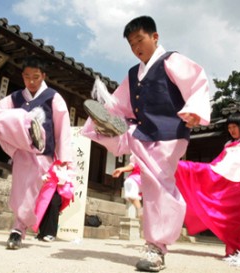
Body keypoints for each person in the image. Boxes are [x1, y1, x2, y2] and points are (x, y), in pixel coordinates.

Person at [82, 15, 211, 272]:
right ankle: (156, 245)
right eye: (131, 44)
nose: (136, 47)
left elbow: (197, 84)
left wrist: (195, 110)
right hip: (142, 134)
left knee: (159, 185)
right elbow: (118, 104)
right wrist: (101, 119)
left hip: (170, 134)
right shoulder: (133, 74)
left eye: (139, 40)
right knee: (153, 185)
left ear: (155, 37)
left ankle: (157, 246)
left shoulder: (172, 61)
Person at [0, 56, 74, 249]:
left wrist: (63, 158)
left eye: (36, 77)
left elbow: (63, 127)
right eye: (27, 76)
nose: (31, 81)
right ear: (22, 76)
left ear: (43, 76)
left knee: (31, 191)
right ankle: (18, 227)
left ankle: (20, 228)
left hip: (43, 153)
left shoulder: (53, 97)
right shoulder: (16, 97)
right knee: (19, 190)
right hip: (22, 151)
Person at [175, 113, 240, 257]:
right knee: (191, 170)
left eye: (234, 127)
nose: (232, 130)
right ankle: (173, 165)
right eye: (229, 127)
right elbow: (219, 162)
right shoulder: (227, 144)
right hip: (223, 177)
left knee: (236, 217)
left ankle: (235, 249)